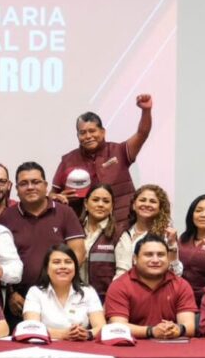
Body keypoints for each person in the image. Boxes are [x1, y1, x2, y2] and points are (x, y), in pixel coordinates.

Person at [51, 94, 153, 231]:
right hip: (85, 230)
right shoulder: (68, 160)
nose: (88, 136)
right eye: (82, 133)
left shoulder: (119, 151)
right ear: (77, 136)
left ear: (103, 132)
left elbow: (142, 133)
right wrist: (58, 198)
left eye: (92, 131)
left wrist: (146, 111)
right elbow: (52, 194)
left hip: (123, 225)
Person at [0, 162, 86, 321]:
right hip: (21, 298)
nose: (30, 187)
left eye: (36, 182)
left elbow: (78, 252)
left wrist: (59, 284)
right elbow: (2, 259)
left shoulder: (65, 212)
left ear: (46, 186)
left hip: (60, 293)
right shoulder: (7, 217)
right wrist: (11, 293)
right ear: (16, 189)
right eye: (24, 183)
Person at [104, 235, 196, 340]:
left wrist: (178, 329)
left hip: (171, 345)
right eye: (148, 255)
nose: (155, 260)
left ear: (168, 258)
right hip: (133, 346)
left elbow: (189, 326)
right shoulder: (120, 286)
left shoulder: (181, 285)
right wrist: (151, 331)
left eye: (161, 255)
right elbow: (118, 327)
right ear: (135, 258)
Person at [23, 244, 105, 341]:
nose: (63, 266)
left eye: (68, 262)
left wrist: (87, 334)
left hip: (80, 346)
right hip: (45, 346)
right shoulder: (35, 292)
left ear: (75, 268)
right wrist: (62, 334)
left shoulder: (88, 291)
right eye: (56, 262)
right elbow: (32, 328)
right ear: (47, 269)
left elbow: (101, 327)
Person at [113, 184, 179, 280]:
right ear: (134, 205)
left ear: (160, 208)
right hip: (118, 285)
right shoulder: (120, 231)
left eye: (152, 201)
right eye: (142, 200)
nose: (147, 204)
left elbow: (175, 273)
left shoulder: (166, 234)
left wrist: (172, 245)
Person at [80, 183, 120, 300]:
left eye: (106, 201)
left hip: (105, 298)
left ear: (112, 207)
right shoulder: (74, 229)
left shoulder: (119, 233)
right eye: (95, 200)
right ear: (86, 203)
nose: (100, 204)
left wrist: (111, 299)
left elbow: (122, 272)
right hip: (75, 297)